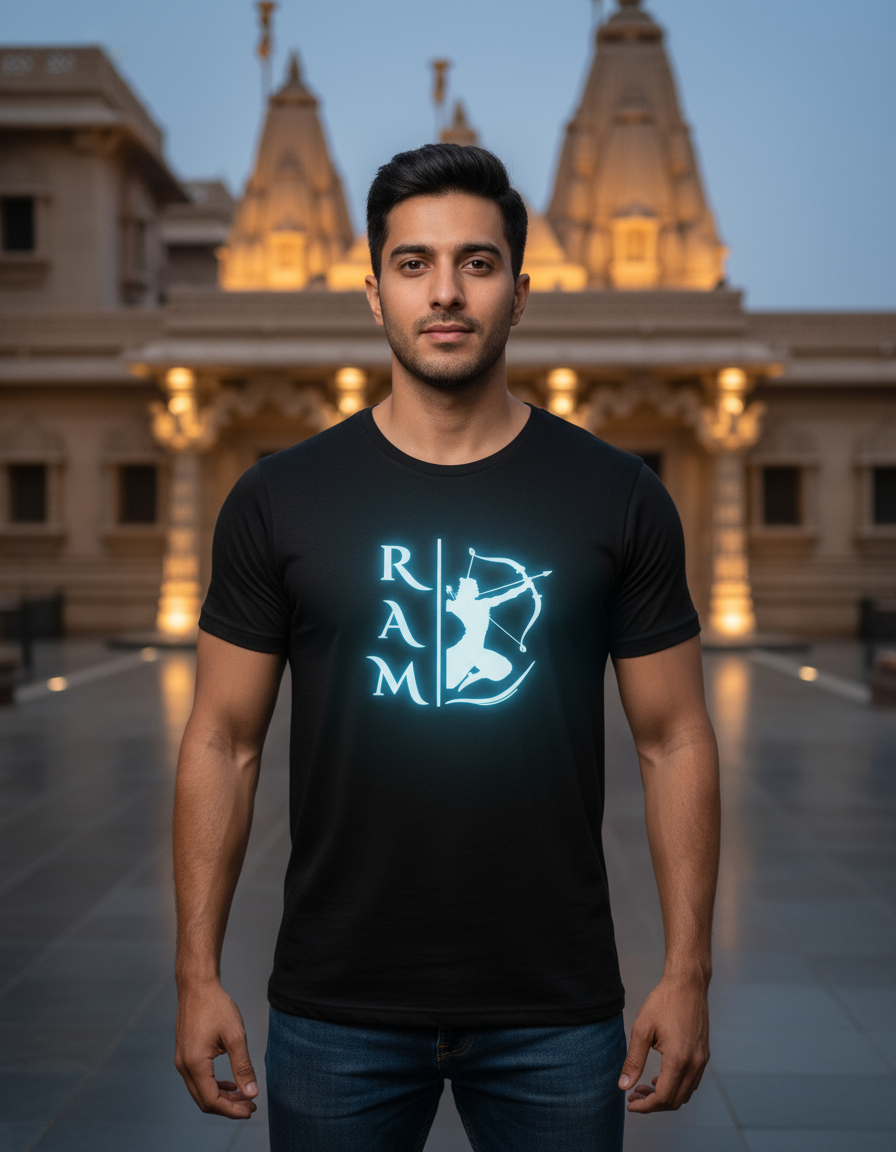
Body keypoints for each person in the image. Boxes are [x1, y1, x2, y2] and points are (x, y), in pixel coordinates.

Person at [173, 143, 720, 1152]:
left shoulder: (617, 496)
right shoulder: (279, 498)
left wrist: (688, 973)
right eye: (413, 263)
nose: (445, 292)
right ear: (372, 292)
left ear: (520, 291)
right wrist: (195, 973)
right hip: (336, 1006)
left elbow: (674, 738)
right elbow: (222, 740)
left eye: (476, 263)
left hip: (555, 1010)